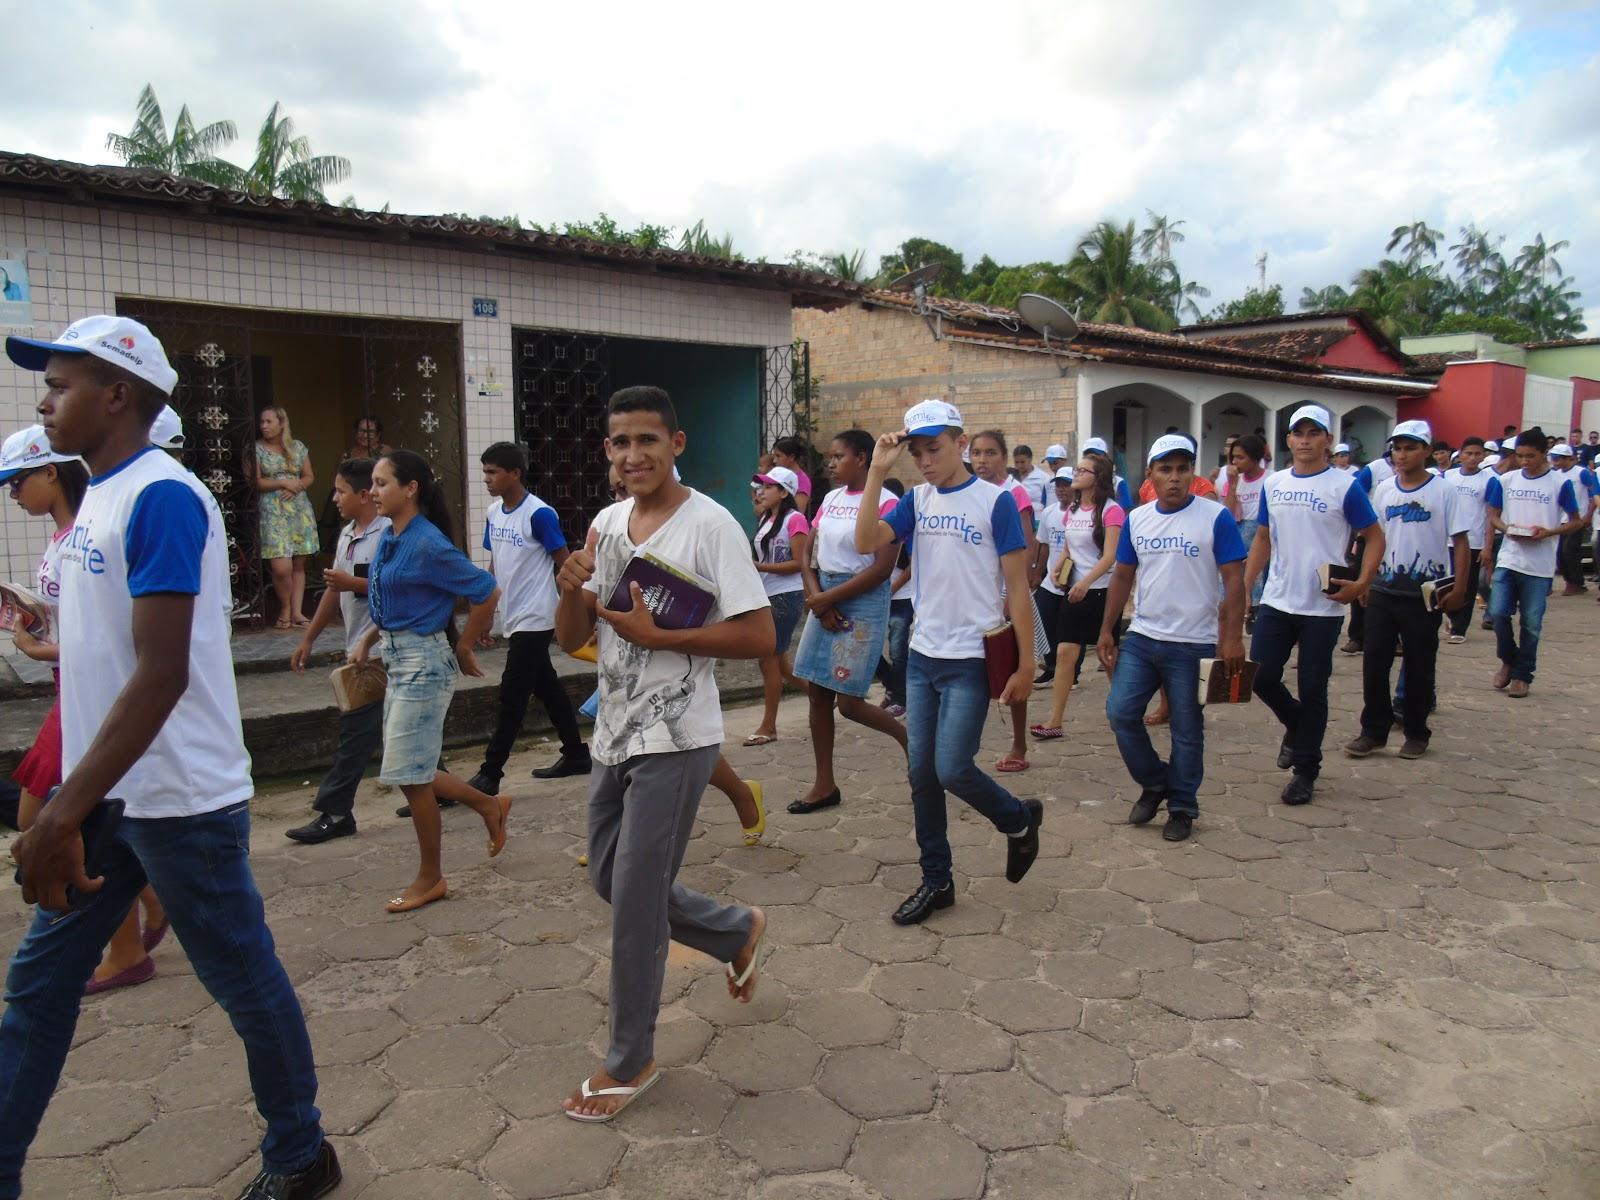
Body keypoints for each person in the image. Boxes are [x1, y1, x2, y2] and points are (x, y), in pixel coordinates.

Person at [2, 315, 339, 1199]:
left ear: (118, 395)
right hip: (111, 798)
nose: (45, 400)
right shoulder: (95, 505)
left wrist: (61, 811)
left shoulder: (161, 495)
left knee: (241, 980)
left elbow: (158, 675)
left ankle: (302, 1153)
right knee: (37, 989)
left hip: (179, 800)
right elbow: (102, 661)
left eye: (62, 382)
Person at [554, 385, 773, 1122]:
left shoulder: (711, 526)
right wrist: (569, 590)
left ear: (676, 445)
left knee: (637, 905)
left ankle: (630, 1060)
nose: (633, 455)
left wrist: (663, 640)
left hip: (678, 737)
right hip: (614, 729)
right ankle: (734, 928)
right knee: (613, 882)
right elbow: (570, 637)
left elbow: (758, 636)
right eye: (620, 442)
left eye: (647, 440)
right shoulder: (607, 523)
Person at [854, 400, 1044, 926]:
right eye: (917, 452)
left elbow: (1017, 587)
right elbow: (867, 541)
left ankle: (1017, 818)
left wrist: (1027, 664)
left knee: (953, 768)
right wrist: (877, 472)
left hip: (969, 658)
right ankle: (937, 880)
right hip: (921, 655)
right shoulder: (917, 500)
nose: (925, 460)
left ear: (961, 444)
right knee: (921, 775)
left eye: (933, 448)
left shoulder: (996, 501)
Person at [1, 425, 170, 994]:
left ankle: (126, 940)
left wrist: (35, 647)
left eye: (18, 480)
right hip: (68, 687)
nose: (14, 494)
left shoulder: (100, 527)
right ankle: (140, 908)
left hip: (86, 691)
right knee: (68, 819)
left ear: (51, 472)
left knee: (48, 817)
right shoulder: (64, 537)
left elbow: (108, 633)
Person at [353, 450, 511, 912]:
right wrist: (368, 638)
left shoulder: (427, 542)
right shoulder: (390, 536)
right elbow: (386, 593)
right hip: (398, 658)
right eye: (373, 484)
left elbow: (486, 590)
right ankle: (487, 805)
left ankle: (431, 877)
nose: (373, 492)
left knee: (411, 774)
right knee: (411, 767)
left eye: (382, 483)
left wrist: (464, 645)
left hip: (424, 662)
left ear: (410, 488)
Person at [1099, 434, 1246, 843]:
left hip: (1195, 642)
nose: (1175, 478)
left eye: (1183, 469)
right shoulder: (1138, 519)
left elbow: (1234, 581)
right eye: (1166, 469)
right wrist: (1107, 629)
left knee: (1186, 728)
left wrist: (1231, 637)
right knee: (1121, 712)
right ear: (1151, 476)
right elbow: (1123, 575)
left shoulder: (1214, 517)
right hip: (1144, 636)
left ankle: (1182, 806)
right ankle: (1155, 782)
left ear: (1193, 473)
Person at [1244, 405, 1383, 806]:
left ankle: (1306, 770)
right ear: (1287, 440)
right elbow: (1263, 538)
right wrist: (1245, 586)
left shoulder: (1344, 486)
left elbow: (1374, 537)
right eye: (1298, 433)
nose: (1305, 440)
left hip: (1323, 605)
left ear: (1327, 439)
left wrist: (1361, 584)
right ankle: (1297, 725)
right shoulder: (1275, 484)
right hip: (1278, 599)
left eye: (1313, 433)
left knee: (1313, 687)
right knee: (1262, 677)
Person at [789, 430, 908, 812]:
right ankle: (825, 785)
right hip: (824, 595)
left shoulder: (889, 503)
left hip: (862, 600)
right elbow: (808, 550)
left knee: (850, 703)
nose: (831, 463)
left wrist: (829, 599)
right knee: (817, 692)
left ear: (862, 457)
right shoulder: (831, 498)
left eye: (838, 456)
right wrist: (817, 599)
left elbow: (881, 569)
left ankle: (910, 742)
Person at [1343, 420, 1470, 759]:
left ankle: (1416, 731)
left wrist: (1459, 587)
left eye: (1410, 447)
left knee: (1419, 664)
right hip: (1384, 589)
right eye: (1397, 448)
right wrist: (1365, 580)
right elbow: (1375, 538)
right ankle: (1374, 730)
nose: (1402, 454)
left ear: (1426, 451)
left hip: (1425, 593)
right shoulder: (1384, 489)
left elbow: (1459, 541)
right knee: (1375, 662)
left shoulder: (1444, 491)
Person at [469, 441, 591, 792]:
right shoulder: (494, 514)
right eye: (485, 472)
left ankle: (491, 772)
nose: (487, 479)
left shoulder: (539, 514)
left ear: (515, 473)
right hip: (512, 613)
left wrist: (574, 611)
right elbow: (494, 564)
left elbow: (565, 563)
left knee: (512, 693)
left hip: (537, 617)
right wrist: (486, 611)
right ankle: (576, 753)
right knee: (546, 686)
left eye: (493, 472)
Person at [284, 458, 390, 843]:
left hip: (381, 649)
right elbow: (334, 588)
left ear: (364, 495)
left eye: (341, 491)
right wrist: (309, 638)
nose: (335, 498)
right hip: (358, 648)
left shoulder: (387, 534)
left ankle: (335, 810)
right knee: (399, 729)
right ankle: (445, 790)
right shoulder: (347, 534)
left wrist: (351, 583)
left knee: (355, 735)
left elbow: (396, 589)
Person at [1032, 455, 1126, 739]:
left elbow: (1110, 556)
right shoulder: (1072, 509)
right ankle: (1055, 720)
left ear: (1097, 478)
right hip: (1074, 590)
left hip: (1103, 591)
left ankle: (1124, 712)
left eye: (1082, 470)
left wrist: (1085, 581)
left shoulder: (1111, 511)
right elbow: (1070, 547)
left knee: (1107, 655)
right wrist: (1060, 565)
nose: (1076, 473)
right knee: (1064, 653)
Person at [1485, 427, 1583, 698]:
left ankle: (1523, 674)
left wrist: (1549, 532)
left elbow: (1576, 520)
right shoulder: (1507, 480)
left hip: (1539, 564)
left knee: (1531, 622)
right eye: (1520, 456)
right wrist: (1506, 528)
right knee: (1499, 613)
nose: (1525, 461)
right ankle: (1508, 658)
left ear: (1544, 454)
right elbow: (1492, 514)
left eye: (1530, 456)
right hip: (1510, 556)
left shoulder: (1559, 483)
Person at [969, 429, 1043, 773]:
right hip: (975, 589)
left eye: (990, 453)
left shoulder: (1014, 493)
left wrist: (1009, 596)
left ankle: (1018, 743)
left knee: (1012, 664)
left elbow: (1026, 546)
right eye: (977, 453)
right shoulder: (969, 493)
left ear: (1004, 457)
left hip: (1005, 590)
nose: (982, 460)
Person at [744, 464, 811, 748]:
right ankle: (824, 696)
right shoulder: (766, 520)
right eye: (761, 486)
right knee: (781, 665)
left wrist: (759, 566)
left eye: (769, 487)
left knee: (768, 659)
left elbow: (799, 563)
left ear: (784, 492)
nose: (762, 491)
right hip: (767, 594)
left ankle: (768, 726)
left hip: (786, 595)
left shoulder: (795, 520)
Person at [252, 405, 319, 629]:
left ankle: (297, 612)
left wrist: (296, 486)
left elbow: (309, 476)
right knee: (281, 566)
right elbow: (257, 481)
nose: (264, 426)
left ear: (282, 423)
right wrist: (283, 482)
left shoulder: (297, 447)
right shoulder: (257, 449)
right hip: (273, 510)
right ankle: (285, 608)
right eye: (262, 422)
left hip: (298, 509)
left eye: (269, 421)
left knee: (299, 563)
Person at [1442, 437, 1492, 643]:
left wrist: (1487, 546)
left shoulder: (1489, 480)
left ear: (1483, 456)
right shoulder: (1448, 476)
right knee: (1448, 582)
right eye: (1468, 453)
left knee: (1468, 585)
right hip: (1447, 540)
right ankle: (1450, 616)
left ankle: (1459, 628)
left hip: (1473, 541)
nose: (1472, 458)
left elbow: (1491, 515)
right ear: (1460, 454)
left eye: (1477, 454)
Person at [1031, 466, 1073, 686]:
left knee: (1070, 628)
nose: (1061, 489)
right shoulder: (1049, 512)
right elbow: (1044, 545)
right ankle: (1051, 667)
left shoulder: (1082, 513)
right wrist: (1038, 572)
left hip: (1074, 580)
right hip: (1051, 580)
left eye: (1066, 484)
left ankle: (1071, 674)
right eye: (1058, 485)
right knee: (1044, 621)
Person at [1219, 433, 1269, 613]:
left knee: (1258, 577)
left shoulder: (1270, 480)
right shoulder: (1233, 481)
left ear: (1255, 457)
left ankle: (1255, 611)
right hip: (1239, 533)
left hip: (1262, 534)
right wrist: (1233, 484)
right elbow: (1229, 513)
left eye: (1240, 457)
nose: (1235, 462)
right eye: (1233, 458)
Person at [1548, 442, 1598, 596]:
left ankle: (1576, 583)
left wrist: (1588, 516)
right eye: (1554, 458)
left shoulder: (1581, 473)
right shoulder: (1556, 474)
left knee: (1569, 550)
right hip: (1560, 520)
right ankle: (1572, 581)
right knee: (1559, 553)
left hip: (1578, 519)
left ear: (1567, 458)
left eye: (1557, 459)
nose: (1555, 462)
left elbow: (1593, 494)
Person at [1083, 436, 1134, 510]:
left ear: (1105, 457)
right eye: (1088, 456)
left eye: (1096, 455)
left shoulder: (1118, 482)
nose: (1092, 459)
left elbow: (1124, 511)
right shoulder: (1078, 481)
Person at [770, 435, 813, 516]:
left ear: (791, 457)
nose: (774, 460)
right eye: (774, 456)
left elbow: (797, 512)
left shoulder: (802, 481)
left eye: (778, 456)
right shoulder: (776, 476)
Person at [1012, 443, 1053, 508]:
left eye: (1022, 462)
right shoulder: (1010, 477)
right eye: (1016, 462)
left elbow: (1049, 503)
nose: (1019, 465)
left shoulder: (1043, 478)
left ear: (1030, 459)